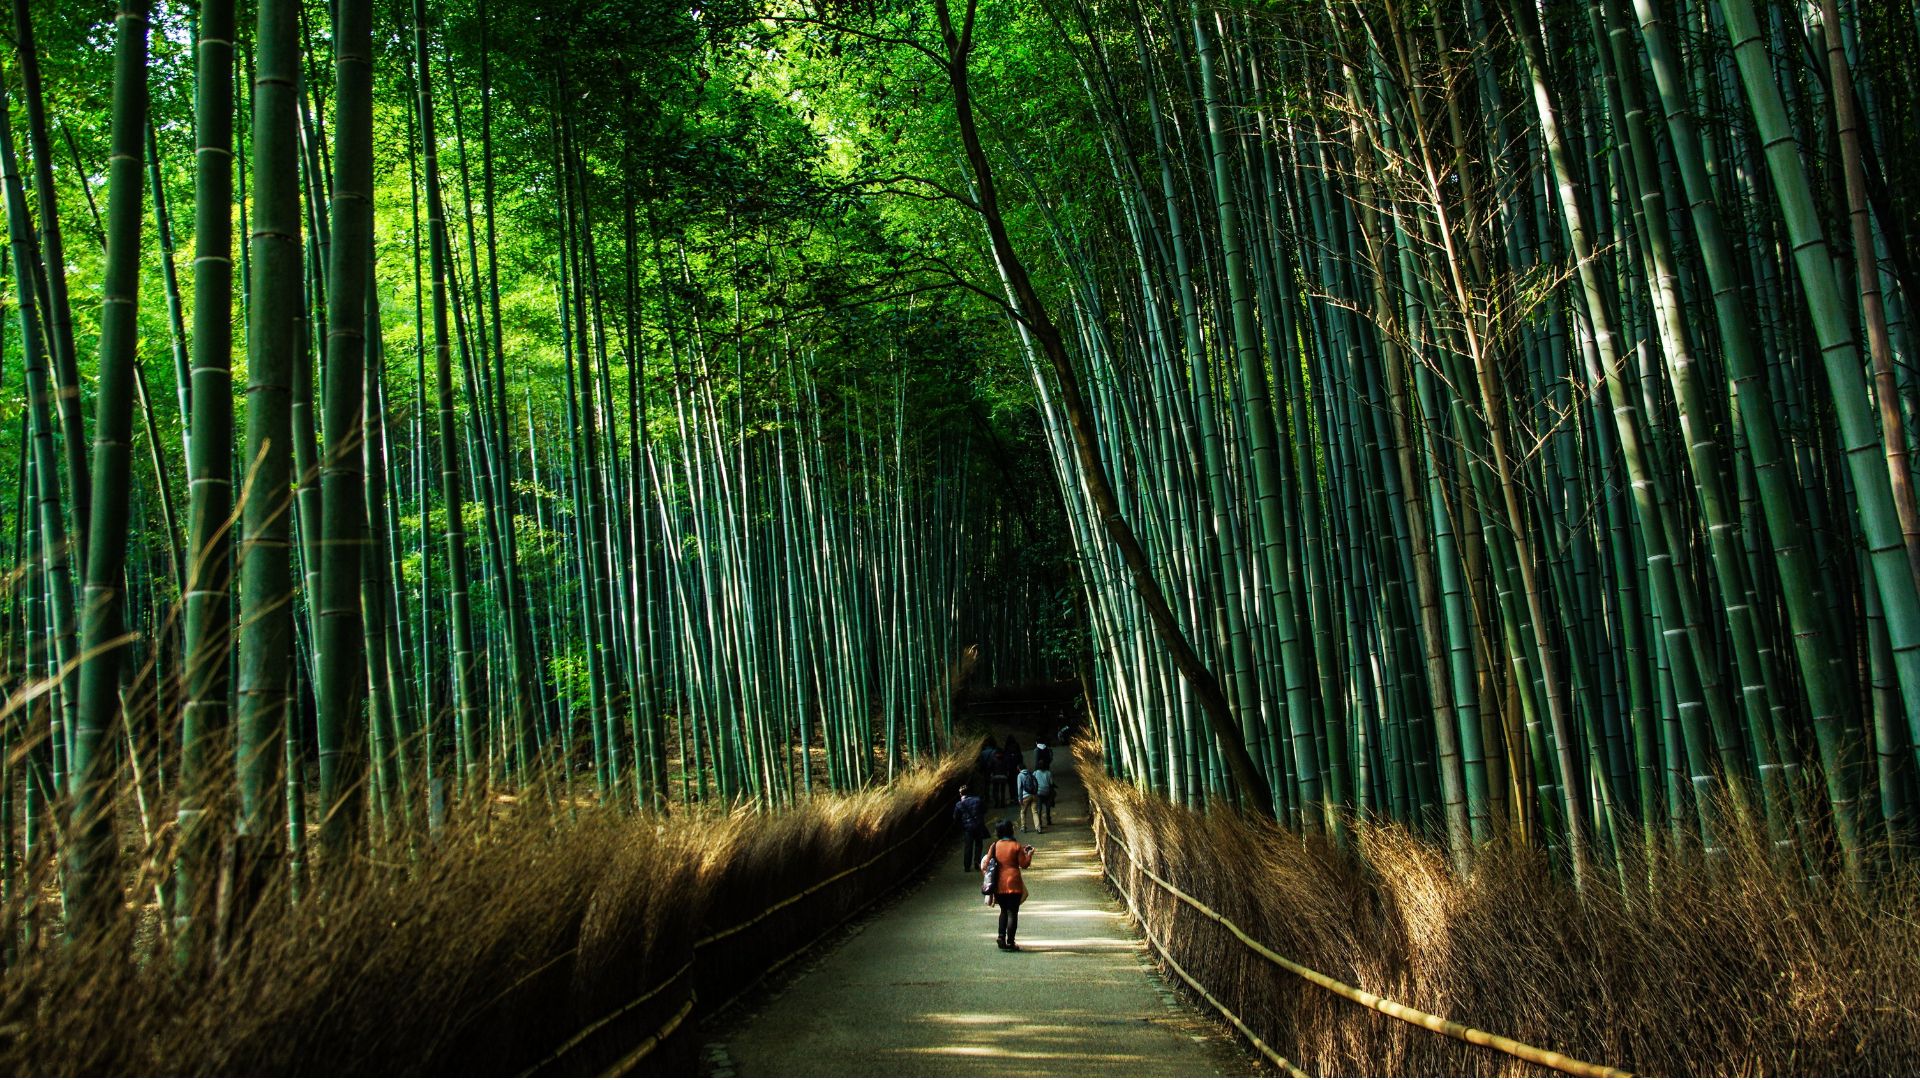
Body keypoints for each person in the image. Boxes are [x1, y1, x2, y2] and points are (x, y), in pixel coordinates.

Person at [981, 820, 1034, 950]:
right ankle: (1010, 942)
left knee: (1003, 911)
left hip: (999, 883)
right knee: (1013, 913)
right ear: (1011, 830)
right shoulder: (1016, 846)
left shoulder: (995, 845)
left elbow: (987, 863)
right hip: (1014, 883)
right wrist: (1029, 855)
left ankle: (1001, 936)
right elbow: (1024, 864)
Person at [952, 785, 987, 873]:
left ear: (960, 794)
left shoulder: (959, 804)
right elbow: (984, 810)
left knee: (968, 846)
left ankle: (967, 866)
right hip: (978, 825)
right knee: (979, 844)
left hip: (967, 827)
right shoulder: (977, 800)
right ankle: (977, 862)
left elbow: (955, 817)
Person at [1016, 765, 1043, 833]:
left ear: (1019, 768)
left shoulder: (1020, 775)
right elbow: (1036, 783)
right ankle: (1038, 827)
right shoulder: (1030, 773)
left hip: (1025, 796)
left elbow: (1019, 788)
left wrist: (1020, 798)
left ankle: (1023, 827)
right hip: (1033, 795)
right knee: (1034, 812)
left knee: (1023, 812)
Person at [1033, 763, 1055, 827]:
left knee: (1039, 808)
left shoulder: (1035, 772)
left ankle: (1039, 822)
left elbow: (1032, 780)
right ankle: (1048, 820)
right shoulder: (1048, 773)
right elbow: (1051, 783)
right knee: (1047, 807)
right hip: (1047, 792)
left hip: (1039, 792)